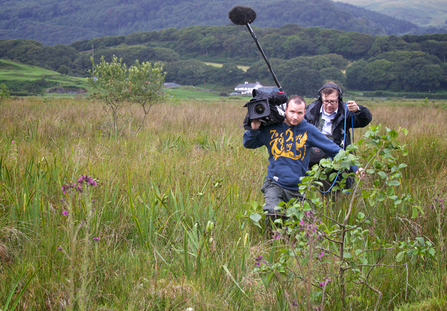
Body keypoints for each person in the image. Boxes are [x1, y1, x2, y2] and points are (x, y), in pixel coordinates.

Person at [243, 95, 359, 228]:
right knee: (273, 212)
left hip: (298, 188)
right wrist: (254, 129)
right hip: (274, 183)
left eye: (299, 113)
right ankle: (271, 244)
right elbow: (249, 144)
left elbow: (333, 149)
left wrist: (355, 167)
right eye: (292, 112)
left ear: (305, 113)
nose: (295, 116)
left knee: (306, 226)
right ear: (285, 110)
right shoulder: (272, 128)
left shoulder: (308, 130)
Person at [305, 82, 372, 191]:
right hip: (312, 158)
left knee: (341, 191)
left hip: (338, 157)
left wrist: (358, 110)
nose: (329, 105)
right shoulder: (310, 111)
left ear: (339, 99)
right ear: (321, 99)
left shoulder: (346, 111)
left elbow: (365, 120)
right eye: (326, 101)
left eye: (333, 102)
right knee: (310, 192)